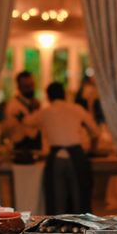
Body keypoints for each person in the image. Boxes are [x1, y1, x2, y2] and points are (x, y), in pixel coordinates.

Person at [24, 81, 99, 214]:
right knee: (79, 197)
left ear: (48, 96)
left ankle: (58, 230)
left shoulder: (44, 112)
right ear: (64, 94)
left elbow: (27, 122)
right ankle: (82, 229)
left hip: (56, 159)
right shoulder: (76, 108)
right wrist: (92, 150)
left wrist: (34, 107)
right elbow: (95, 131)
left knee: (57, 199)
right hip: (76, 156)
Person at [1, 71, 42, 164]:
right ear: (19, 87)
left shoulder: (36, 103)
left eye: (32, 85)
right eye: (26, 86)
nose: (30, 89)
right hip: (19, 148)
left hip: (35, 147)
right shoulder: (13, 106)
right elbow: (10, 130)